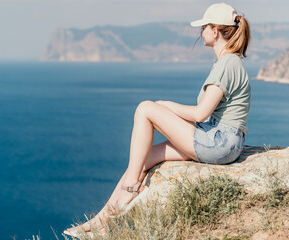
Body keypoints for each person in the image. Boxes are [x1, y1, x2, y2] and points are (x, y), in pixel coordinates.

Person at [64, 2, 251, 238]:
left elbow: (200, 114)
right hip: (221, 140)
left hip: (219, 142)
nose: (200, 31)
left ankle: (131, 189)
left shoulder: (227, 64)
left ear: (215, 31)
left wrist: (165, 106)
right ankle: (100, 221)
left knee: (145, 109)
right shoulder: (229, 63)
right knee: (144, 158)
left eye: (203, 26)